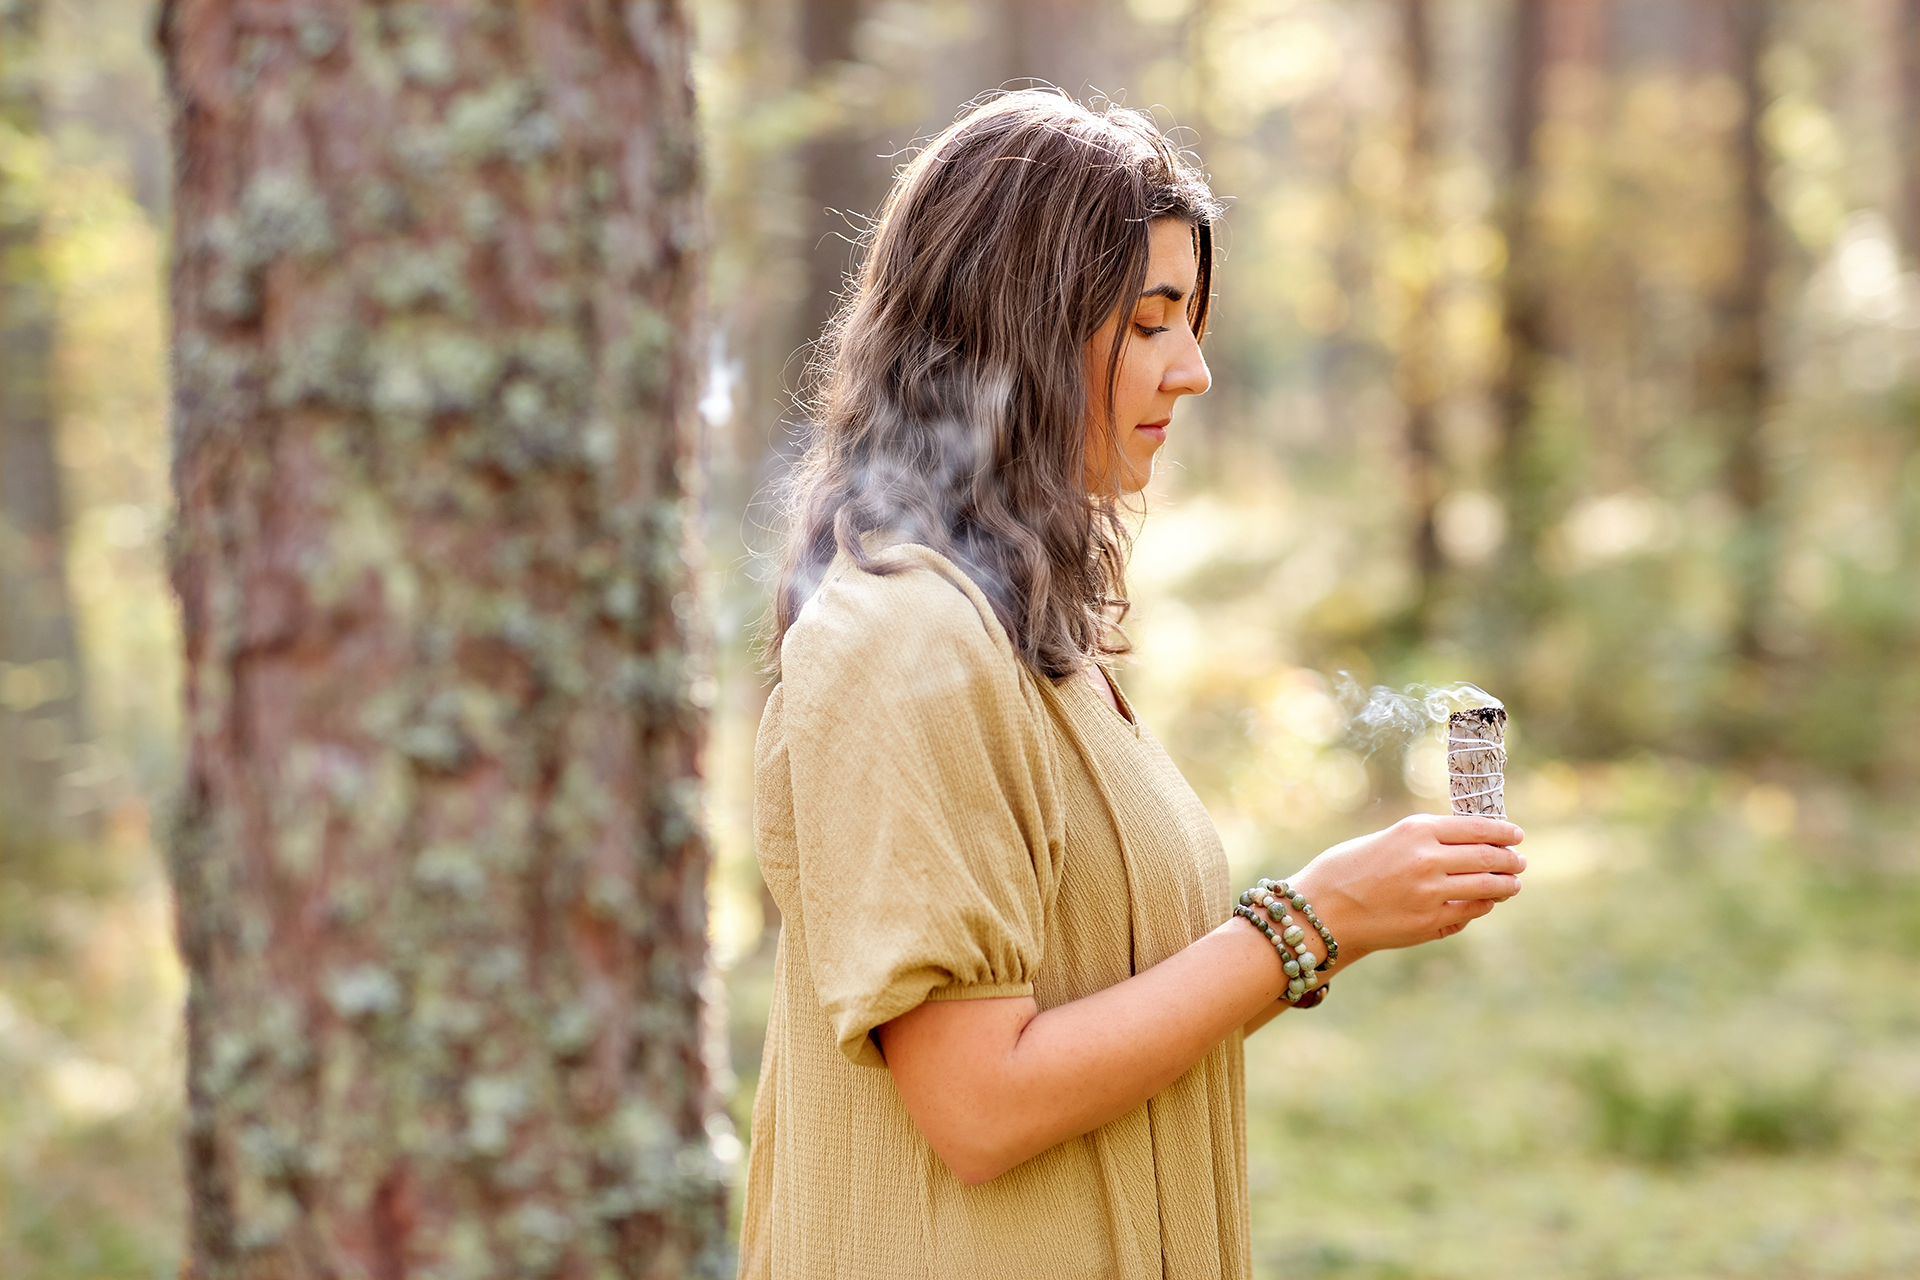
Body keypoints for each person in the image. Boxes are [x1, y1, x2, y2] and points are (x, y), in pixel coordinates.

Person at [738, 89, 1526, 1280]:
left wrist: (1334, 919)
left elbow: (1107, 992)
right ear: (1018, 331)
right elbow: (978, 1103)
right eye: (1152, 322)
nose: (1196, 369)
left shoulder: (1016, 629)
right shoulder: (906, 642)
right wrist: (1312, 922)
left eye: (1192, 322)